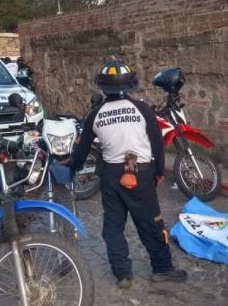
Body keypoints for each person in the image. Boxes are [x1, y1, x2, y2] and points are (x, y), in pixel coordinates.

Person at [70, 60, 187, 289]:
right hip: (140, 172)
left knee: (113, 226)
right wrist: (159, 171)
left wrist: (71, 166)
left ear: (103, 87)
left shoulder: (95, 115)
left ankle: (123, 274)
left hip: (110, 175)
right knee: (151, 222)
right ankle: (162, 269)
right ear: (131, 85)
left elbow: (82, 150)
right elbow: (156, 143)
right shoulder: (142, 109)